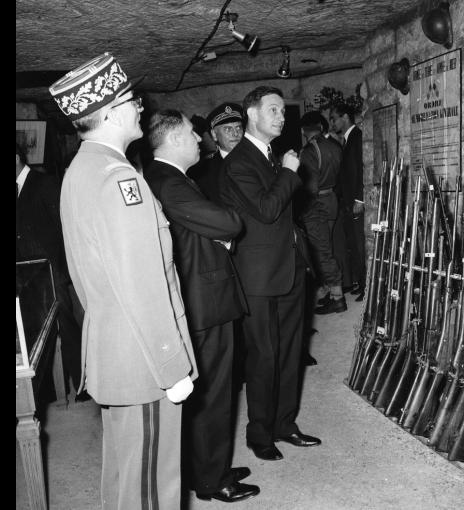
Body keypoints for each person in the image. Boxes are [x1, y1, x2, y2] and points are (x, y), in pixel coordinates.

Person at [49, 52, 197, 510]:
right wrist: (172, 367)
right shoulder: (118, 180)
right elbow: (142, 285)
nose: (141, 108)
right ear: (111, 112)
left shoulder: (81, 171)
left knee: (125, 476)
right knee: (152, 485)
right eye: (132, 101)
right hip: (144, 360)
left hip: (117, 349)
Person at [143, 109, 260, 503]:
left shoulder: (171, 178)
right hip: (204, 302)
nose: (199, 139)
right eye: (193, 133)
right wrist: (225, 228)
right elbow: (227, 222)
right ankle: (213, 479)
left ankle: (207, 467)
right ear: (174, 139)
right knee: (213, 394)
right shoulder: (167, 180)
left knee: (210, 392)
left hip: (204, 296)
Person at [220, 85, 321, 462]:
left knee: (291, 352)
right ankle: (259, 433)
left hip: (289, 268)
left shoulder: (272, 156)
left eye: (282, 111)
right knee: (263, 357)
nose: (281, 117)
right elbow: (265, 208)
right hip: (259, 277)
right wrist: (291, 172)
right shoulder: (239, 162)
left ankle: (285, 423)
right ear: (252, 114)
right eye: (274, 110)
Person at [16, 144, 88, 402]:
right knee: (35, 336)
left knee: (67, 329)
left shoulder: (46, 184)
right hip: (25, 277)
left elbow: (64, 228)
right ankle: (46, 390)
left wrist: (63, 268)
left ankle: (82, 385)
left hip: (53, 271)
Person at [296, 112, 347, 316]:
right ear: (320, 126)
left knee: (321, 252)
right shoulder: (335, 145)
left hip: (316, 205)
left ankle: (337, 298)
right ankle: (331, 289)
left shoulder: (309, 150)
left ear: (303, 131)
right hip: (332, 200)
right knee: (327, 248)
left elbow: (310, 186)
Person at [330, 103, 367, 302]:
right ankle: (361, 284)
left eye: (333, 118)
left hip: (356, 201)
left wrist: (359, 199)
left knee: (360, 246)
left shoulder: (358, 137)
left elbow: (362, 169)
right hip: (348, 202)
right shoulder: (347, 140)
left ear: (345, 117)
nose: (332, 123)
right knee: (353, 244)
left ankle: (366, 287)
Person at [187, 102, 244, 204]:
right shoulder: (203, 172)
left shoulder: (257, 157)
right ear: (214, 134)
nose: (235, 134)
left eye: (238, 128)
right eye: (227, 129)